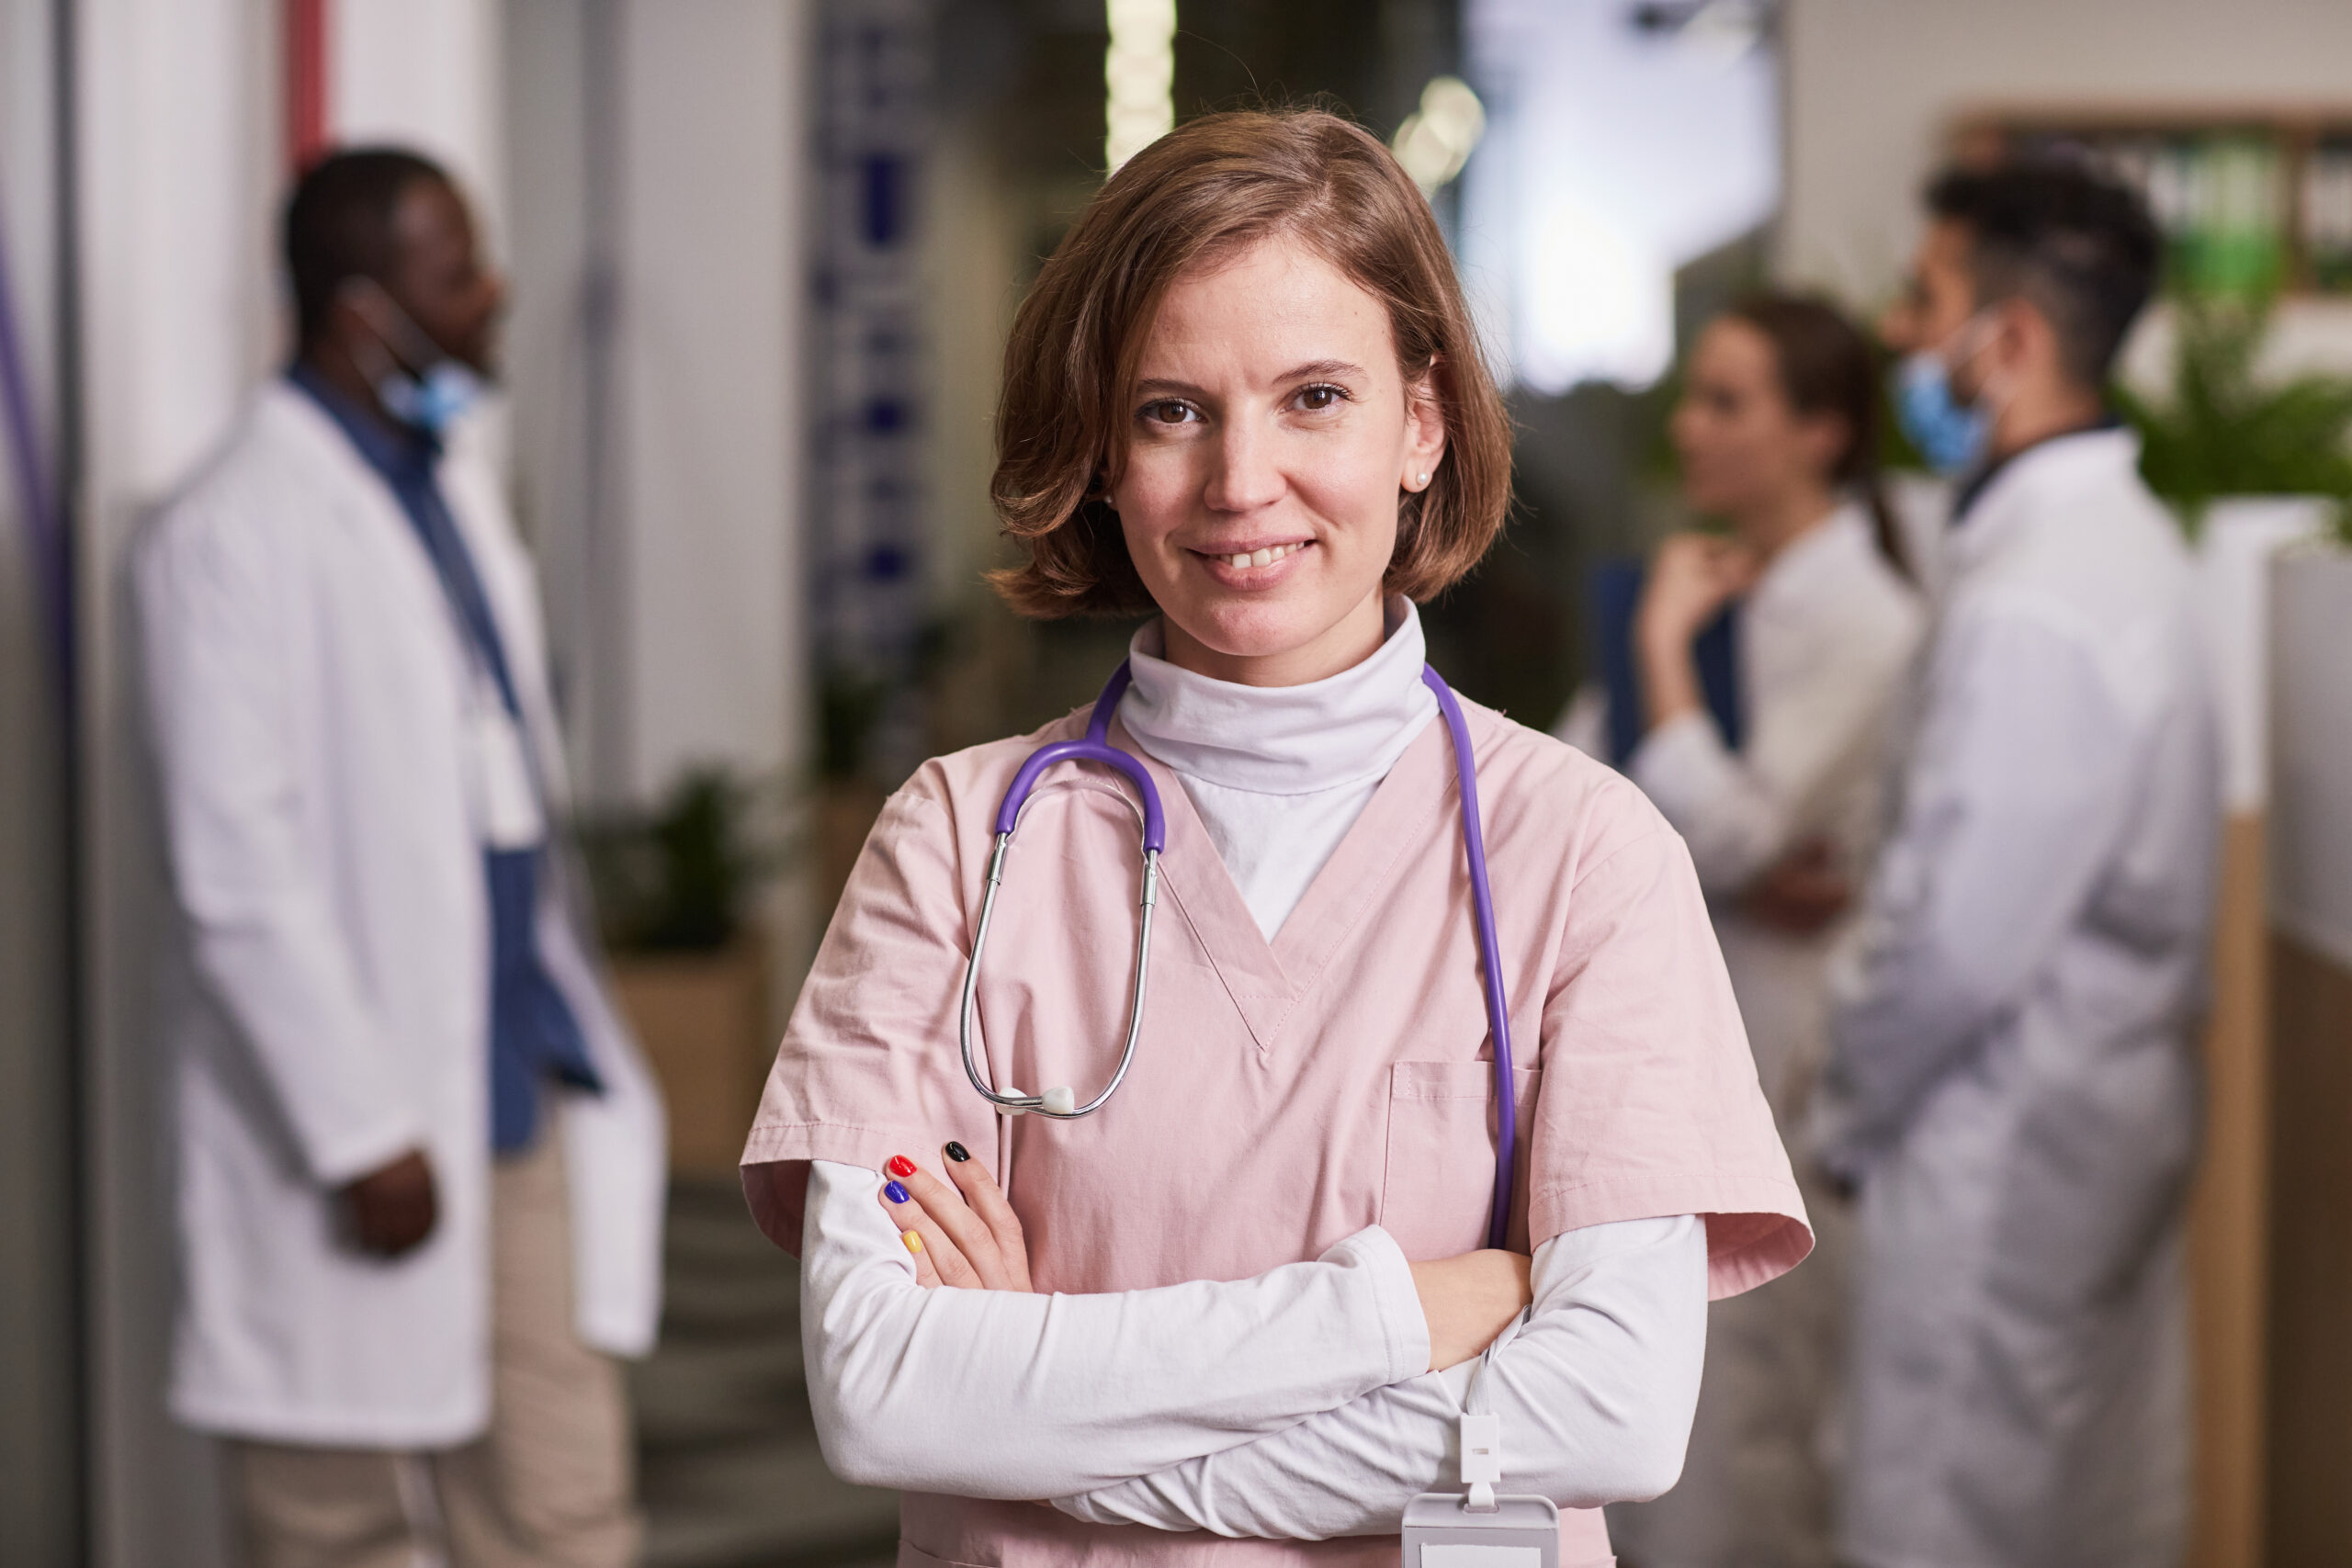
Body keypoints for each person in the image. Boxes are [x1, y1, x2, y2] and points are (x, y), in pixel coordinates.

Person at [739, 109, 1810, 1568]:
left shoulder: (1584, 853)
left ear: (1422, 423)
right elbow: (881, 1393)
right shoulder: (955, 844)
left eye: (1315, 398)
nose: (1243, 482)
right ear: (1104, 454)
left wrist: (1076, 1441)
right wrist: (1400, 1314)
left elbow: (1613, 1415)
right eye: (1172, 409)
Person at [136, 148, 663, 1565]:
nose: (492, 297)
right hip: (358, 1122)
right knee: (336, 1526)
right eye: (458, 274)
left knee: (561, 1506)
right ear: (366, 313)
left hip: (517, 1079)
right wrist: (360, 1127)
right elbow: (233, 866)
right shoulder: (225, 533)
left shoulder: (450, 488)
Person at [1815, 158, 2219, 1568]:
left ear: (2015, 342)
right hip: (2076, 1133)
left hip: (1993, 1148)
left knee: (1940, 1517)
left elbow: (1956, 946)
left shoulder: (2042, 603)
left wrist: (1843, 1113)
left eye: (1926, 300)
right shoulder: (2114, 548)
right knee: (2060, 1502)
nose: (1901, 331)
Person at [1556, 295, 1925, 1568]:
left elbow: (1728, 841)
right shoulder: (1707, 573)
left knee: (1752, 1422)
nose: (1688, 425)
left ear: (1820, 432)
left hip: (1783, 1045)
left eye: (1727, 400)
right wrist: (1717, 849)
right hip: (1674, 1019)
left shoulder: (1864, 617)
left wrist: (1664, 653)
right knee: (1664, 1407)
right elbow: (1572, 799)